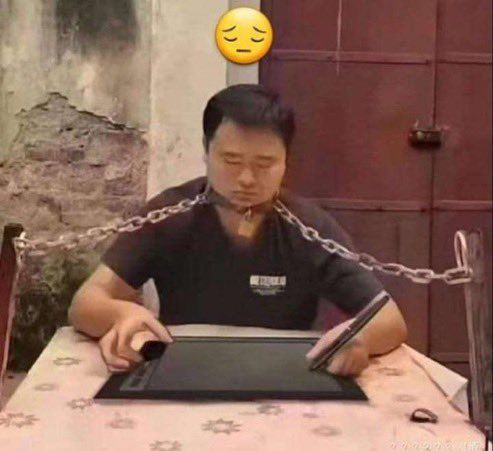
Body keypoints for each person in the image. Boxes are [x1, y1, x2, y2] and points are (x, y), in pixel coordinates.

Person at [68, 84, 407, 377]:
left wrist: (358, 339)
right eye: (230, 160)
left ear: (286, 160)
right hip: (184, 372)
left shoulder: (309, 226)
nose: (246, 179)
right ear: (206, 150)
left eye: (264, 164)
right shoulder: (169, 214)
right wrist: (123, 313)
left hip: (286, 377)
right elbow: (85, 303)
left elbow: (389, 319)